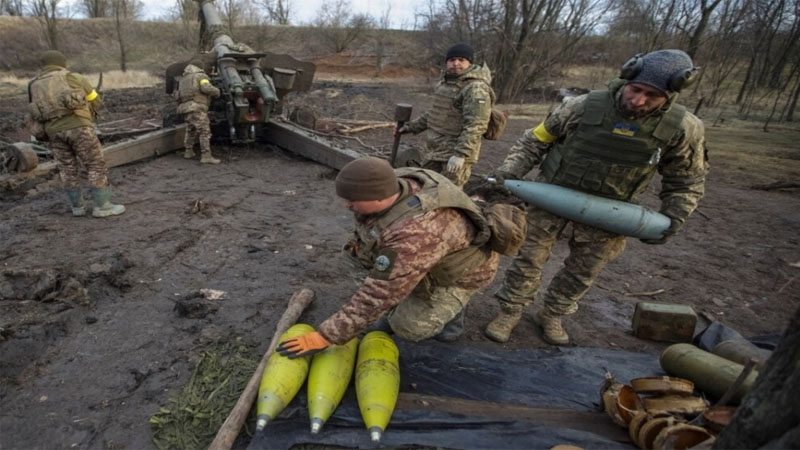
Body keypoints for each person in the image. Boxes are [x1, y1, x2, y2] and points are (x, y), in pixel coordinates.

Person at [484, 49, 709, 345]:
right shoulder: (582, 106)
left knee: (583, 270)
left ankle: (553, 313)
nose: (638, 100)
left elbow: (686, 179)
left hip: (611, 211)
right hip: (552, 196)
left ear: (671, 94)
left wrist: (675, 217)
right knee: (528, 258)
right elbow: (535, 140)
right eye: (636, 89)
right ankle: (510, 310)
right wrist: (509, 172)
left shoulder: (683, 128)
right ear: (626, 78)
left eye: (651, 96)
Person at [276, 157, 500, 358]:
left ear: (379, 197)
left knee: (408, 327)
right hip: (425, 254)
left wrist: (326, 336)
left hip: (460, 274)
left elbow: (379, 294)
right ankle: (408, 289)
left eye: (352, 200)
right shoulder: (396, 179)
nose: (346, 205)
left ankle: (453, 313)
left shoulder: (416, 233)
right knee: (354, 256)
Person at [28, 50, 125, 218]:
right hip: (78, 128)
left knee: (67, 169)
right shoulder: (72, 77)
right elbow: (96, 100)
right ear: (62, 63)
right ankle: (102, 206)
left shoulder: (33, 84)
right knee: (95, 164)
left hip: (53, 132)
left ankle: (77, 207)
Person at [394, 43, 493, 188]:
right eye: (452, 60)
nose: (456, 64)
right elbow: (436, 112)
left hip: (454, 154)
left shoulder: (476, 89)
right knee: (424, 188)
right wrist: (410, 127)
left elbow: (476, 126)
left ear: (470, 63)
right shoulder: (445, 84)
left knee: (447, 194)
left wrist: (460, 155)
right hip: (434, 150)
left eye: (461, 60)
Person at [174, 60, 221, 164]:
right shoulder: (200, 76)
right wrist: (217, 92)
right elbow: (206, 88)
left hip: (186, 108)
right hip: (197, 107)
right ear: (200, 68)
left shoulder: (183, 79)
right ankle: (206, 155)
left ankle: (188, 152)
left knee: (190, 130)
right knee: (204, 131)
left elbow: (177, 96)